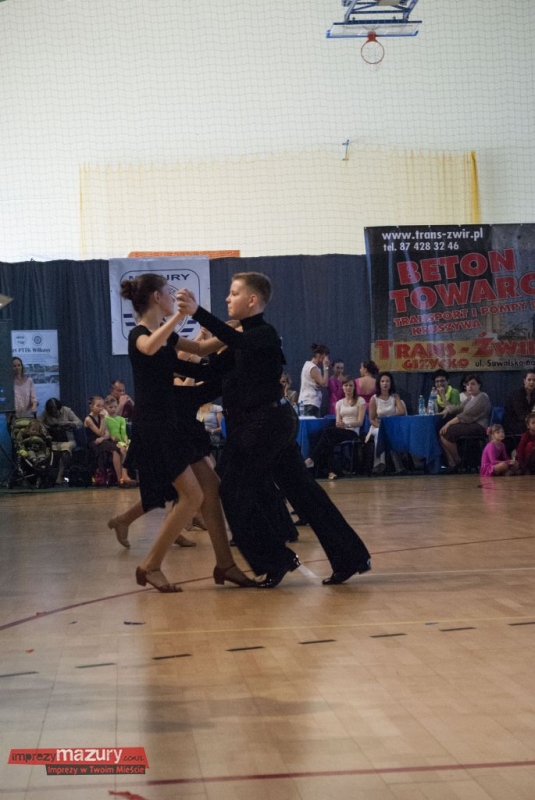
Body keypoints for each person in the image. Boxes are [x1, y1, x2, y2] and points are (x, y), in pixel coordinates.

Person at [177, 272, 371, 587]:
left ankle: (275, 560)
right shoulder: (239, 343)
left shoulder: (263, 334)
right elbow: (210, 374)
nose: (228, 298)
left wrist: (197, 312)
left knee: (233, 489)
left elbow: (238, 341)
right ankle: (350, 557)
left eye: (234, 293)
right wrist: (157, 365)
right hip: (264, 425)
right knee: (303, 492)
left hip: (265, 425)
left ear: (252, 300)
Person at [118, 272, 254, 591]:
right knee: (192, 496)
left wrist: (233, 331)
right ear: (156, 297)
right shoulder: (139, 335)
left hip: (173, 422)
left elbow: (201, 348)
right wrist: (180, 316)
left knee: (211, 487)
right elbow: (149, 347)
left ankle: (225, 564)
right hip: (155, 426)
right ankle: (151, 566)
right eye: (168, 292)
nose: (172, 297)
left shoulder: (166, 336)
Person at [305, 377, 365, 479]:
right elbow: (337, 422)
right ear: (342, 387)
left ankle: (312, 460)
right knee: (322, 437)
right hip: (341, 430)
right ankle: (330, 471)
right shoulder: (339, 403)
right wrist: (340, 424)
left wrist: (347, 425)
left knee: (327, 433)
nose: (348, 388)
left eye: (351, 385)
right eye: (346, 385)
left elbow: (360, 422)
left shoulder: (360, 401)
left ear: (354, 387)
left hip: (352, 431)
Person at [439, 374, 491, 472]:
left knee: (447, 431)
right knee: (442, 432)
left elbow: (466, 416)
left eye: (473, 384)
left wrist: (448, 423)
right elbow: (456, 409)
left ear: (479, 385)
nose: (470, 387)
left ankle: (458, 460)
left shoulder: (482, 397)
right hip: (469, 424)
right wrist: (445, 409)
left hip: (479, 426)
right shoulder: (470, 398)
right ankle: (452, 463)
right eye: (467, 384)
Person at [84, 396, 132, 486]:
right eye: (98, 406)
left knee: (119, 450)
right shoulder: (88, 419)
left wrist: (103, 438)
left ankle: (121, 478)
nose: (100, 408)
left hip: (102, 441)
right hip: (94, 443)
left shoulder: (102, 417)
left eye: (102, 406)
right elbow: (100, 432)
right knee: (118, 448)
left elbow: (107, 434)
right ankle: (122, 477)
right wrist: (103, 419)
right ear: (92, 407)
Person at [367, 371, 407, 475]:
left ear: (391, 383)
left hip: (392, 426)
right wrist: (382, 426)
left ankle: (398, 466)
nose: (385, 383)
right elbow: (372, 419)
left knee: (393, 434)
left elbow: (402, 411)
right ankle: (379, 464)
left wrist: (388, 418)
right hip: (377, 426)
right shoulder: (374, 399)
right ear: (379, 383)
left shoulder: (395, 396)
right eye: (382, 381)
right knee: (379, 434)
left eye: (387, 381)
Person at [39, 398, 83, 484]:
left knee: (66, 451)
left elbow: (79, 423)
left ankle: (60, 475)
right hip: (52, 440)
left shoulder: (67, 411)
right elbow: (38, 423)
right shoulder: (45, 413)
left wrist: (68, 423)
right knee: (45, 451)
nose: (55, 414)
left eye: (56, 412)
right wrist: (48, 427)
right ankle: (45, 477)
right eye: (52, 413)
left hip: (68, 440)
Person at [298, 344, 330, 417]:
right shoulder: (312, 367)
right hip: (309, 402)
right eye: (325, 356)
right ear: (319, 355)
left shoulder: (314, 367)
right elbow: (324, 383)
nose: (326, 359)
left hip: (313, 402)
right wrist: (326, 367)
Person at [503, 371, 535, 438]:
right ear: (524, 381)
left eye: (534, 380)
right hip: (512, 424)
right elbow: (521, 415)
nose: (532, 382)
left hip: (526, 421)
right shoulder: (517, 394)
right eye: (529, 380)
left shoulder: (533, 394)